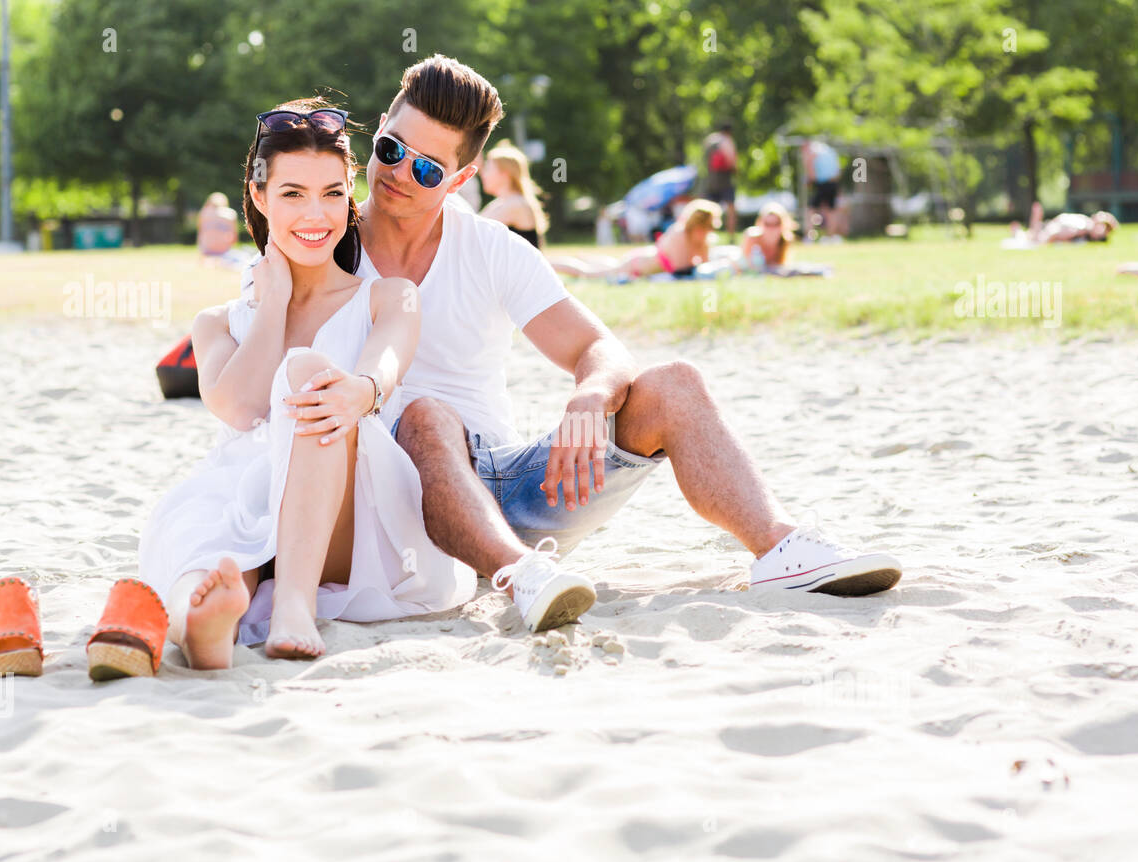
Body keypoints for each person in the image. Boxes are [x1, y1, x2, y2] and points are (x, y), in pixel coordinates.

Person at [331, 55, 901, 634]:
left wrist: (592, 393)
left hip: (500, 492)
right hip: (385, 505)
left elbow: (600, 349)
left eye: (428, 170)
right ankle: (519, 574)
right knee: (426, 416)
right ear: (377, 131)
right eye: (391, 150)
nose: (400, 174)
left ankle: (780, 548)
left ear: (462, 178)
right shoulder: (325, 242)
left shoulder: (490, 248)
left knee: (673, 384)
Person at [137, 97, 474, 669]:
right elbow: (241, 410)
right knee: (206, 537)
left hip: (349, 516)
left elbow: (385, 363)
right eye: (293, 194)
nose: (315, 215)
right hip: (243, 502)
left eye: (333, 193)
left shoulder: (388, 297)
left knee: (307, 374)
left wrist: (361, 389)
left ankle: (294, 603)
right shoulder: (218, 323)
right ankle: (201, 624)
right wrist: (273, 307)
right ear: (260, 197)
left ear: (350, 197)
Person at [549, 198, 722, 280]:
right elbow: (681, 269)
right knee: (586, 273)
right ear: (699, 225)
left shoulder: (700, 240)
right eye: (709, 226)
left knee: (606, 266)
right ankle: (549, 265)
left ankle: (575, 259)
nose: (710, 231)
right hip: (636, 266)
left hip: (639, 261)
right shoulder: (680, 234)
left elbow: (703, 268)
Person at [478, 140, 549, 248]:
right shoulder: (502, 203)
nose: (483, 174)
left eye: (488, 169)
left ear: (505, 174)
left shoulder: (515, 204)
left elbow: (476, 230)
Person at [1009, 202, 1118, 244]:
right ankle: (1020, 233)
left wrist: (1046, 238)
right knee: (1029, 234)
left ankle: (1021, 233)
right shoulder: (1087, 223)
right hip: (1051, 227)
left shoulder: (1085, 228)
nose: (1099, 214)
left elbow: (1063, 233)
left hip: (1049, 231)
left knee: (1031, 235)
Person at [702, 122, 738, 238]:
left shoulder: (710, 140)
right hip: (725, 179)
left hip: (711, 179)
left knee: (709, 210)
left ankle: (708, 235)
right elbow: (731, 160)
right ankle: (731, 236)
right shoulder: (727, 140)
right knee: (731, 210)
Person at [803, 140, 844, 238]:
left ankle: (809, 236)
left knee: (811, 209)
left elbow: (810, 166)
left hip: (821, 184)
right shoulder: (830, 151)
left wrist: (810, 181)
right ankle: (831, 236)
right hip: (833, 183)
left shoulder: (812, 150)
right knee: (831, 210)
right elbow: (838, 171)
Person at [196, 192, 246, 268]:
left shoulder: (203, 213)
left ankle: (212, 261)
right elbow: (234, 238)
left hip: (206, 251)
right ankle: (218, 261)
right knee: (243, 257)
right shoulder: (230, 214)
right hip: (223, 252)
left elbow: (200, 234)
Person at [740, 202, 796, 270]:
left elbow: (782, 265)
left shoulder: (785, 241)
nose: (771, 228)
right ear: (760, 223)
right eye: (767, 224)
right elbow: (745, 264)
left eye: (776, 224)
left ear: (783, 225)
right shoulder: (752, 237)